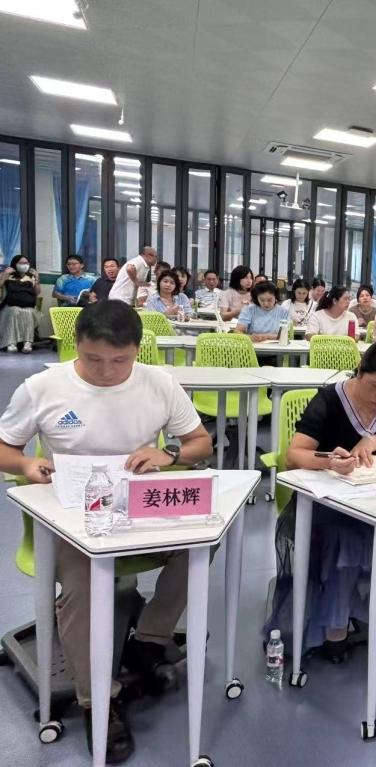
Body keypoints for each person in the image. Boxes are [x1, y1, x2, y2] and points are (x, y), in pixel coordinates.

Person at [0, 300, 213, 762]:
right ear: (76, 345)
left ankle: (149, 640)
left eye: (120, 360)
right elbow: (3, 447)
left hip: (138, 504)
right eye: (93, 358)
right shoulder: (43, 387)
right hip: (75, 515)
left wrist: (168, 455)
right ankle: (98, 700)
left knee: (203, 542)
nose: (106, 371)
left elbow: (201, 443)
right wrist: (25, 464)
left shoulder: (159, 383)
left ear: (137, 350)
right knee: (81, 582)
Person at [265, 341, 376, 658]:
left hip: (375, 497)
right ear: (359, 371)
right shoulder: (329, 399)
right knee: (345, 540)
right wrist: (329, 461)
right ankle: (336, 621)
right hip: (329, 502)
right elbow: (294, 455)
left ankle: (368, 604)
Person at [1, 255, 40, 353]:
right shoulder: (7, 275)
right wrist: (5, 275)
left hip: (28, 305)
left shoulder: (30, 277)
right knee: (14, 311)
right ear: (15, 264)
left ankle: (28, 343)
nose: (24, 265)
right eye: (21, 263)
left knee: (29, 312)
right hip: (10, 305)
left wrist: (37, 278)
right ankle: (11, 343)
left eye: (26, 263)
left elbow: (37, 292)